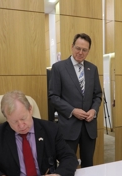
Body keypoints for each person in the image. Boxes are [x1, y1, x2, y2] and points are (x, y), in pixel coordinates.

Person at [0, 90, 78, 176]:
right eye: (14, 122)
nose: (21, 126)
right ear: (6, 119)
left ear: (30, 109)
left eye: (23, 118)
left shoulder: (50, 130)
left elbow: (69, 157)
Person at [49, 33, 102, 168]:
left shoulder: (92, 69)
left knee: (88, 165)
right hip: (68, 127)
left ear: (88, 51)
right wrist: (72, 111)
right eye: (78, 48)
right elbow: (53, 96)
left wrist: (94, 110)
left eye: (84, 50)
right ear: (72, 47)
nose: (80, 53)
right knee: (67, 165)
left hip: (88, 127)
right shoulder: (59, 68)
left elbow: (98, 95)